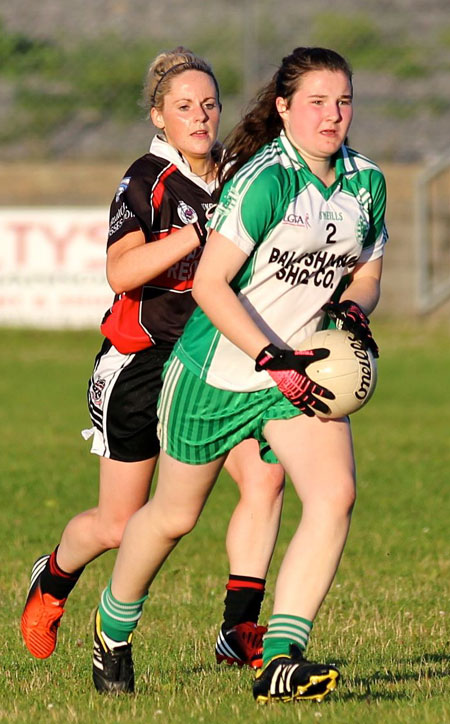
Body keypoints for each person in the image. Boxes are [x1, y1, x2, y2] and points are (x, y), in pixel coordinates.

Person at [91, 45, 387, 702]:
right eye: (315, 101)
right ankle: (112, 627)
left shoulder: (366, 181)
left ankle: (280, 656)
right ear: (283, 108)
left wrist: (352, 308)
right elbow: (211, 286)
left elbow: (367, 269)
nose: (331, 114)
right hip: (217, 372)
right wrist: (268, 355)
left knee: (334, 494)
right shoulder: (264, 181)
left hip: (297, 378)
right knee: (171, 516)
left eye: (342, 101)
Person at [20, 47, 285, 672]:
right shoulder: (147, 178)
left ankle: (238, 628)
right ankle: (53, 579)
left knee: (266, 477)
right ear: (158, 117)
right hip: (141, 361)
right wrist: (198, 231)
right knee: (120, 524)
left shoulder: (238, 174)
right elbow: (121, 270)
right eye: (184, 107)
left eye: (209, 105)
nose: (200, 117)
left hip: (215, 360)